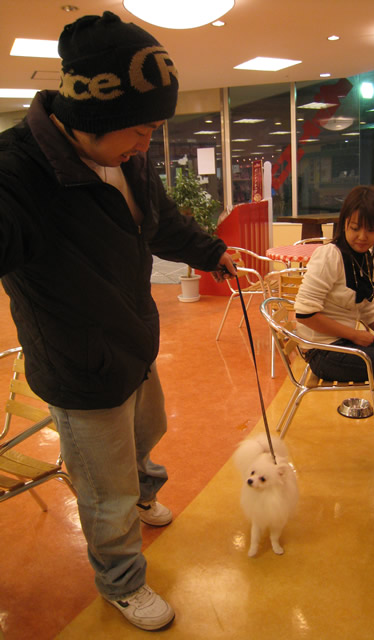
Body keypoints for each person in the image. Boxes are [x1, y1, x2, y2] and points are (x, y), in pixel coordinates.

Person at [0, 11, 236, 632]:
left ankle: (145, 494)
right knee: (106, 493)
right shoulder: (16, 175)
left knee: (148, 432)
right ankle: (121, 581)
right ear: (92, 115)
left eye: (154, 128)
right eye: (141, 128)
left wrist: (211, 252)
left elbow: (158, 220)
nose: (147, 143)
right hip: (79, 368)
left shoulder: (127, 157)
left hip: (133, 342)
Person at [294, 185, 374, 382]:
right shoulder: (330, 256)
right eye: (355, 228)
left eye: (371, 230)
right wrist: (354, 335)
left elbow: (370, 313)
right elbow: (305, 315)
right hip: (323, 352)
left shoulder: (368, 258)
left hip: (345, 343)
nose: (362, 236)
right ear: (344, 223)